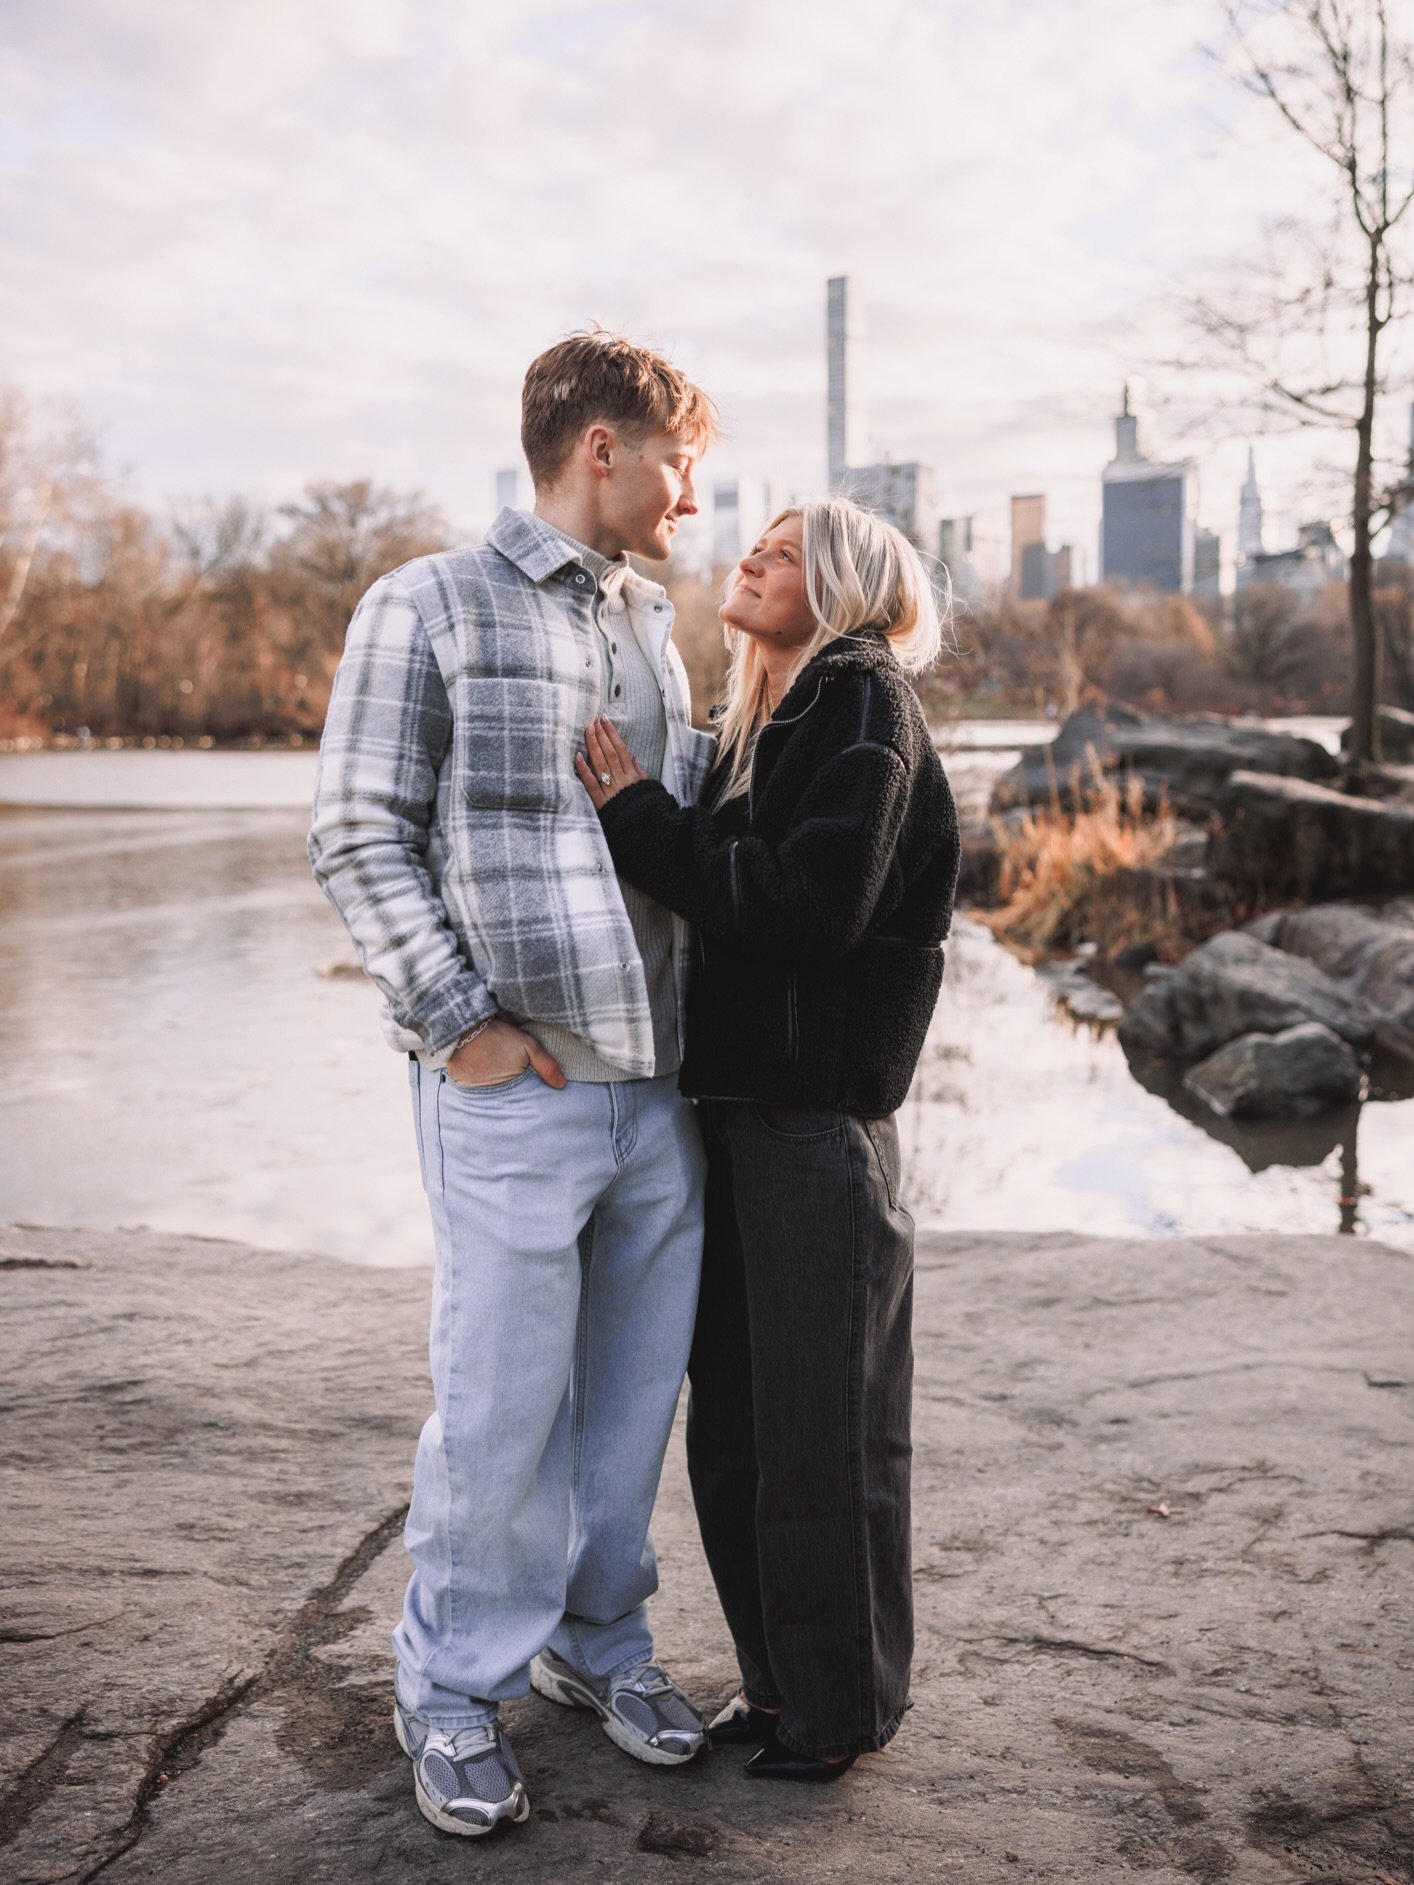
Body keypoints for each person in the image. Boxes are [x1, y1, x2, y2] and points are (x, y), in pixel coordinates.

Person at [308, 332, 719, 1837]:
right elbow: (358, 832)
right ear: (598, 446)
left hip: (654, 1091)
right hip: (515, 1088)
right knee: (496, 1411)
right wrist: (460, 1025)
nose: (693, 491)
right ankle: (450, 1684)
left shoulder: (652, 623)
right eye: (680, 456)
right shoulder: (426, 603)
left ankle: (593, 1643)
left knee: (624, 1410)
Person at [576, 498, 960, 1781]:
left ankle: (837, 1711)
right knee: (737, 1424)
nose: (749, 555)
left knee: (823, 1430)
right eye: (757, 542)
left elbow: (812, 906)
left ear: (844, 587)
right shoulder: (768, 718)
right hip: (739, 1119)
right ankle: (779, 1682)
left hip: (814, 1126)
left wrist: (637, 818)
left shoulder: (860, 699)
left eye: (784, 551)